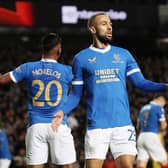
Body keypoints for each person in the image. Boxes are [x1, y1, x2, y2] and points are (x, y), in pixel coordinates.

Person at [51, 13, 168, 168]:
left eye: (111, 24)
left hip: (122, 125)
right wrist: (62, 110)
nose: (110, 27)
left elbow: (141, 83)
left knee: (127, 165)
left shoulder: (124, 54)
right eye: (104, 24)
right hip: (97, 125)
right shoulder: (81, 58)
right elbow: (75, 94)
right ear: (92, 29)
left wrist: (165, 86)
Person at [0, 33, 76, 168]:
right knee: (68, 166)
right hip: (58, 125)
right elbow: (85, 84)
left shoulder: (28, 67)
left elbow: (2, 80)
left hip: (36, 126)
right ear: (59, 50)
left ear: (43, 49)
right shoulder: (67, 71)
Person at [136, 96, 168, 168]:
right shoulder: (158, 107)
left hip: (141, 137)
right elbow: (163, 125)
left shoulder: (143, 108)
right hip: (151, 136)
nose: (163, 106)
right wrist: (161, 130)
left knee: (142, 163)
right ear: (161, 100)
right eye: (164, 104)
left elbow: (138, 126)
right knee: (164, 161)